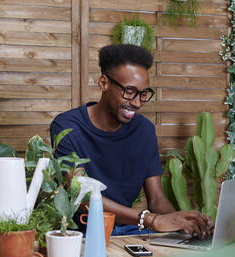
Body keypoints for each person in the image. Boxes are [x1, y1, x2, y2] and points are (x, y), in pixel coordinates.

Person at [50, 44, 214, 237]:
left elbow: (156, 199)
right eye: (129, 91)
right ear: (104, 83)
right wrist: (151, 220)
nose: (137, 103)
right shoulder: (67, 126)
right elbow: (82, 197)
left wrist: (182, 222)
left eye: (143, 94)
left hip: (132, 231)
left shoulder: (144, 130)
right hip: (85, 232)